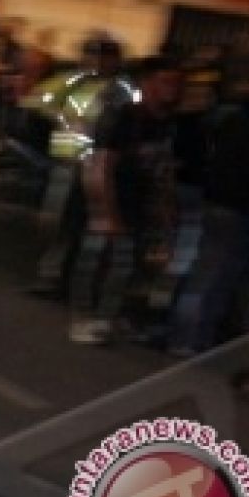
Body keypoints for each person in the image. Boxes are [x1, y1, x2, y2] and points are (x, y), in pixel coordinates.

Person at [170, 52, 249, 357]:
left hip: (238, 207)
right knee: (213, 276)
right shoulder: (242, 117)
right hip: (233, 208)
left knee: (217, 277)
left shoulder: (235, 114)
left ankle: (197, 340)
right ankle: (191, 340)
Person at [69, 55, 182, 345]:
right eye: (164, 82)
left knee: (127, 267)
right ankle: (84, 318)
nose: (172, 89)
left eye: (175, 83)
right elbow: (102, 165)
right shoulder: (123, 117)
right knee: (98, 262)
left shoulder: (167, 124)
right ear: (146, 84)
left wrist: (164, 209)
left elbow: (164, 170)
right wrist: (105, 212)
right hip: (113, 201)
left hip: (140, 206)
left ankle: (109, 317)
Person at [26, 32, 132, 297]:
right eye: (91, 54)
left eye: (103, 56)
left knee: (89, 227)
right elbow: (37, 102)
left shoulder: (122, 89)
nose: (96, 61)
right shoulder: (72, 82)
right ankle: (51, 276)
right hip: (67, 163)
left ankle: (75, 281)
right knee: (57, 222)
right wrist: (57, 116)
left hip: (101, 169)